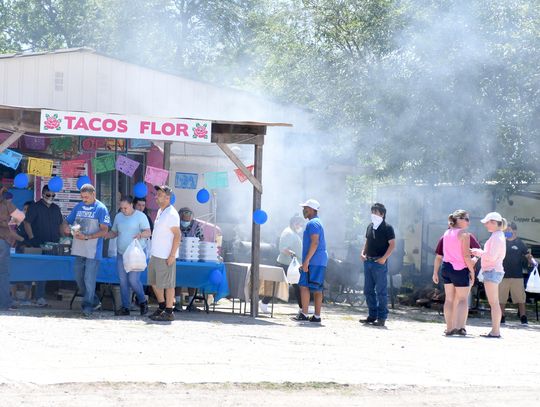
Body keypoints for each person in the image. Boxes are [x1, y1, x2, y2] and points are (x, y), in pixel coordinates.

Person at [65, 184, 111, 317]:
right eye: (82, 197)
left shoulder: (101, 208)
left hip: (93, 250)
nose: (84, 199)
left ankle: (87, 306)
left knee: (89, 279)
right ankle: (95, 300)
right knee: (78, 277)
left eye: (86, 197)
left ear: (93, 194)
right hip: (78, 249)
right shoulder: (78, 207)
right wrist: (67, 228)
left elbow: (104, 230)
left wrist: (87, 237)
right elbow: (67, 221)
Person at [432, 209, 475, 336]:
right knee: (463, 299)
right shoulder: (464, 234)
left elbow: (440, 255)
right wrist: (472, 271)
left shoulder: (446, 233)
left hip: (446, 268)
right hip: (460, 269)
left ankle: (449, 328)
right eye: (466, 219)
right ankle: (461, 328)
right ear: (458, 219)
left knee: (449, 300)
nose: (468, 221)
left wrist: (435, 272)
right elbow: (466, 257)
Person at [24, 185, 67, 306]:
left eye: (53, 195)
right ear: (43, 194)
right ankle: (36, 297)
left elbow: (60, 225)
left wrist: (64, 238)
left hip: (53, 245)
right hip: (38, 244)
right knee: (37, 270)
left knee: (48, 270)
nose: (51, 197)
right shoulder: (35, 207)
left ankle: (41, 296)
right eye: (49, 195)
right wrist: (32, 239)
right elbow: (27, 223)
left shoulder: (56, 208)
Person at [108, 196, 151, 316]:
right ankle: (125, 307)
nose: (123, 210)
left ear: (132, 205)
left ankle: (142, 301)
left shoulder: (141, 216)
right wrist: (106, 235)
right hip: (121, 253)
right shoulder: (118, 216)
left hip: (135, 254)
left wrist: (140, 235)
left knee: (133, 280)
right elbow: (115, 232)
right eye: (121, 208)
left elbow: (148, 232)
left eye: (125, 208)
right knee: (123, 281)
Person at [472, 212, 508, 338]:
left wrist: (478, 252)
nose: (486, 225)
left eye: (487, 222)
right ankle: (495, 331)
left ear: (493, 222)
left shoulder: (497, 237)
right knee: (494, 303)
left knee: (494, 303)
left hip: (492, 270)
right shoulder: (498, 235)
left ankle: (495, 331)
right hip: (493, 270)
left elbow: (491, 257)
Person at [359, 203, 395, 327]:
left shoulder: (387, 227)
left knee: (381, 291)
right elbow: (367, 241)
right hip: (368, 261)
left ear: (382, 214)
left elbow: (392, 244)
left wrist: (384, 258)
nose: (373, 214)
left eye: (376, 212)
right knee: (368, 290)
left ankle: (382, 317)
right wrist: (362, 252)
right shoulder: (370, 226)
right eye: (372, 212)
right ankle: (372, 315)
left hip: (379, 263)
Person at [148, 185, 181, 321]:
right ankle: (162, 306)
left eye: (160, 194)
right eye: (157, 194)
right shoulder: (161, 211)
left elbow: (177, 236)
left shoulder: (172, 214)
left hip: (166, 255)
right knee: (154, 282)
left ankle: (169, 311)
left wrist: (172, 255)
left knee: (168, 284)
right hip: (156, 253)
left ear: (168, 198)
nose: (157, 196)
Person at [260, 214, 304, 314]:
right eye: (299, 224)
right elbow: (283, 248)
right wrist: (292, 254)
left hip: (290, 264)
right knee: (280, 284)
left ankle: (302, 307)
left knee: (296, 285)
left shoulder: (293, 233)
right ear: (294, 223)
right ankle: (263, 303)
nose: (300, 226)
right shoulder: (288, 233)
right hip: (286, 264)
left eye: (301, 224)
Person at [293, 199, 328, 323]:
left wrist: (306, 261)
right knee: (317, 288)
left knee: (304, 286)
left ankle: (304, 313)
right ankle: (316, 316)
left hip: (314, 260)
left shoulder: (312, 223)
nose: (304, 210)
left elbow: (315, 242)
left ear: (313, 209)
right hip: (319, 260)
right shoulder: (317, 222)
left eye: (306, 208)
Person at [499, 222, 534, 325]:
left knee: (520, 298)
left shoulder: (520, 243)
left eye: (509, 230)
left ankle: (523, 317)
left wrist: (532, 261)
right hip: (502, 275)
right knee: (501, 298)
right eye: (506, 230)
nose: (507, 232)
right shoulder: (501, 242)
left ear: (515, 231)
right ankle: (502, 316)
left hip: (517, 276)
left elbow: (528, 255)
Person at [0, 186, 26, 310]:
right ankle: (4, 303)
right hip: (2, 241)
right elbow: (21, 217)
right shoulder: (6, 204)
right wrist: (10, 222)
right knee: (3, 273)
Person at [175, 207, 204, 312]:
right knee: (177, 279)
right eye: (185, 215)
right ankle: (177, 303)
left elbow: (201, 239)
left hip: (193, 257)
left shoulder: (197, 226)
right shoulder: (175, 225)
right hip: (178, 256)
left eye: (189, 216)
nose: (187, 218)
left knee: (192, 278)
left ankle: (191, 303)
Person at [10, 201, 33, 305]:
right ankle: (13, 297)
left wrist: (27, 243)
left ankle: (27, 299)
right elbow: (10, 232)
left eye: (28, 210)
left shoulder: (34, 222)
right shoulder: (16, 219)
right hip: (16, 250)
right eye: (24, 209)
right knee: (14, 273)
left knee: (29, 274)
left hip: (30, 251)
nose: (25, 211)